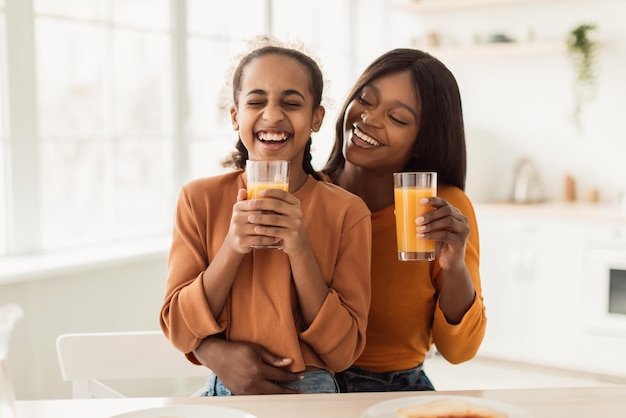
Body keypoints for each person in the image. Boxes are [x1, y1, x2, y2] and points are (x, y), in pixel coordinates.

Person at [191, 47, 487, 394]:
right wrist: (210, 350)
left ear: (423, 139)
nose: (369, 119)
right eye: (365, 99)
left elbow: (459, 351)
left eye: (398, 118)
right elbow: (239, 306)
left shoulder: (440, 207)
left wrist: (454, 268)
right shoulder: (300, 194)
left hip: (389, 387)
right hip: (298, 383)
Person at [160, 39, 372, 396]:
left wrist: (300, 248)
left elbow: (344, 352)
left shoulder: (348, 212)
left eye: (291, 103)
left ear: (316, 118)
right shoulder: (199, 200)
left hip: (313, 393)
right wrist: (232, 246)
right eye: (256, 101)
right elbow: (180, 331)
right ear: (235, 116)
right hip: (224, 391)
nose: (272, 115)